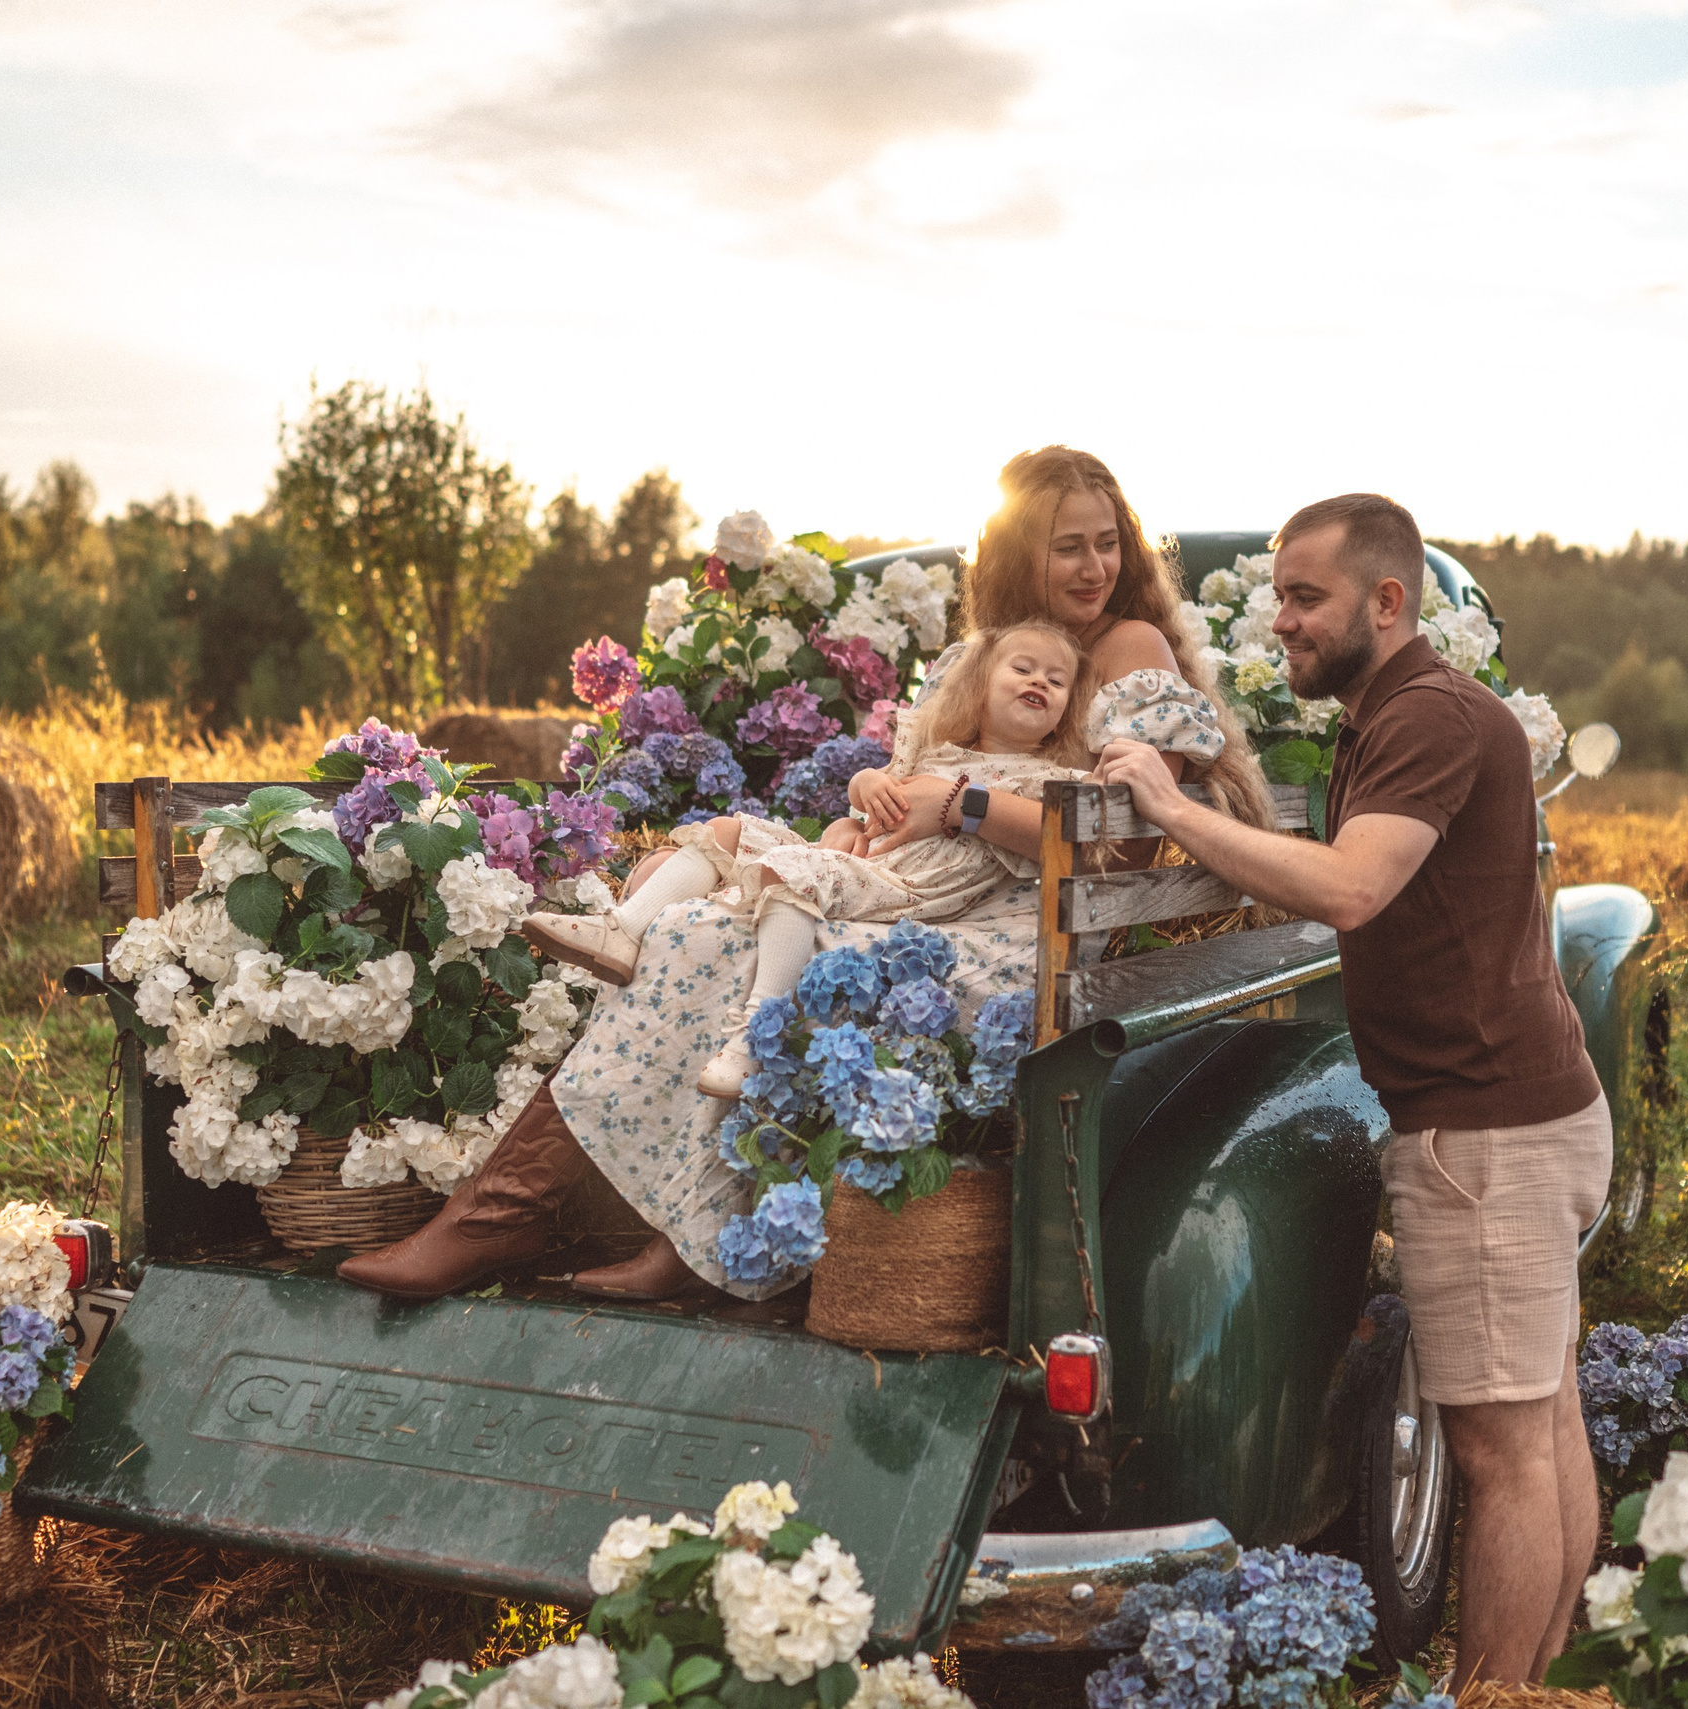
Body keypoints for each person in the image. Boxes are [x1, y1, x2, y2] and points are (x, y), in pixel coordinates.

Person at [338, 447, 1274, 1309]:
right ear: (1019, 553)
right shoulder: (983, 654)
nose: (1093, 567)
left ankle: (526, 1222)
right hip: (915, 887)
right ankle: (600, 1220)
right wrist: (865, 823)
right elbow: (907, 795)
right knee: (696, 921)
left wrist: (958, 806)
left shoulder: (1126, 652)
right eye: (1066, 546)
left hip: (1016, 930)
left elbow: (1132, 836)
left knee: (729, 939)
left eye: (1107, 544)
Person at [1092, 492, 1608, 1690]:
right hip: (1527, 1110)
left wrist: (1167, 804)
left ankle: (1494, 1692)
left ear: (1388, 600)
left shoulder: (1425, 713)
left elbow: (1352, 888)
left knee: (1500, 1448)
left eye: (1305, 597)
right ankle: (1535, 1681)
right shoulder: (1397, 711)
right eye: (1276, 596)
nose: (1281, 622)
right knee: (1544, 1419)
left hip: (1484, 1133)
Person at [522, 623, 1095, 1098]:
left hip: (914, 888)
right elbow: (869, 797)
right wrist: (864, 784)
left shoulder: (1052, 781)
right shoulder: (935, 752)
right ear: (979, 683)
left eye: (1056, 680)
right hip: (862, 861)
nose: (1039, 681)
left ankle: (753, 1033)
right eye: (1023, 668)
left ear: (1067, 708)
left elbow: (1065, 840)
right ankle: (621, 930)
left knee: (794, 871)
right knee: (728, 830)